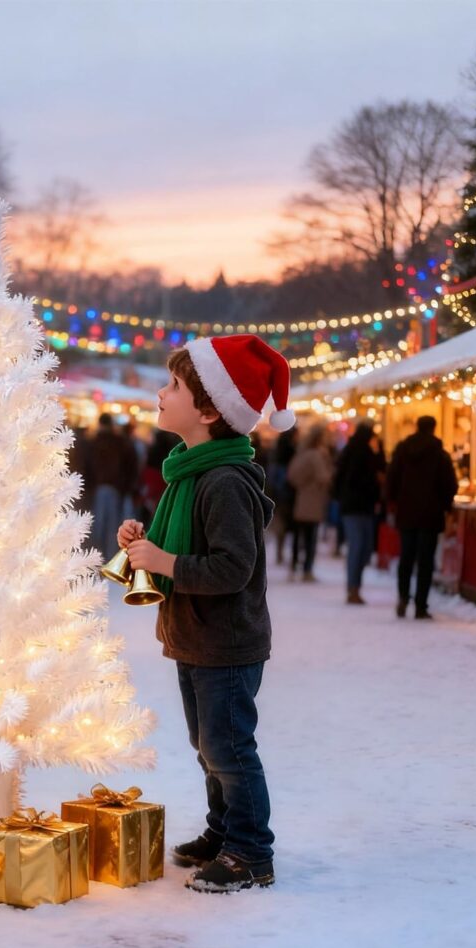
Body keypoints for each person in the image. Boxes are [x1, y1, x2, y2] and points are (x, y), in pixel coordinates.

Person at [119, 334, 295, 893]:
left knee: (230, 748)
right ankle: (224, 832)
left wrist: (166, 560)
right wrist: (143, 542)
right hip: (195, 638)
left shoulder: (223, 481)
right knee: (208, 746)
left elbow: (231, 568)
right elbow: (182, 544)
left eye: (174, 386)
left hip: (226, 642)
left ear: (210, 409)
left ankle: (251, 852)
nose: (161, 393)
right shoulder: (188, 472)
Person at [386, 415, 458, 620]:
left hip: (407, 512)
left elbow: (392, 478)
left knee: (406, 557)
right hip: (430, 514)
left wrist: (393, 502)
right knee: (425, 561)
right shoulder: (439, 454)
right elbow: (449, 485)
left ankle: (402, 597)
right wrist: (446, 505)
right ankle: (420, 605)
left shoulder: (402, 450)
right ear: (434, 428)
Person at [334, 422, 383, 604]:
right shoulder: (364, 454)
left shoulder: (349, 452)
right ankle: (353, 587)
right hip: (360, 506)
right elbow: (367, 479)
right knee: (360, 548)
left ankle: (353, 586)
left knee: (360, 547)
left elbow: (339, 478)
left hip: (352, 507)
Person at [286, 423, 333, 583]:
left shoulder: (302, 453)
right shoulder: (317, 455)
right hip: (313, 500)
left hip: (301, 499)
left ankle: (293, 565)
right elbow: (323, 476)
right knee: (310, 537)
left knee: (298, 535)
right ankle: (307, 569)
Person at [87, 412, 137, 556]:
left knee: (97, 525)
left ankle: (95, 558)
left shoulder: (94, 442)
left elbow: (88, 468)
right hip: (116, 488)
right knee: (112, 527)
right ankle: (108, 558)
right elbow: (131, 466)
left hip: (99, 488)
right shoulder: (120, 442)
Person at [266, 426, 298, 565]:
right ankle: (284, 554)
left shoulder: (275, 457)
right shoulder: (291, 456)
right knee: (285, 526)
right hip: (286, 496)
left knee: (280, 526)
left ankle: (280, 552)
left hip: (278, 497)